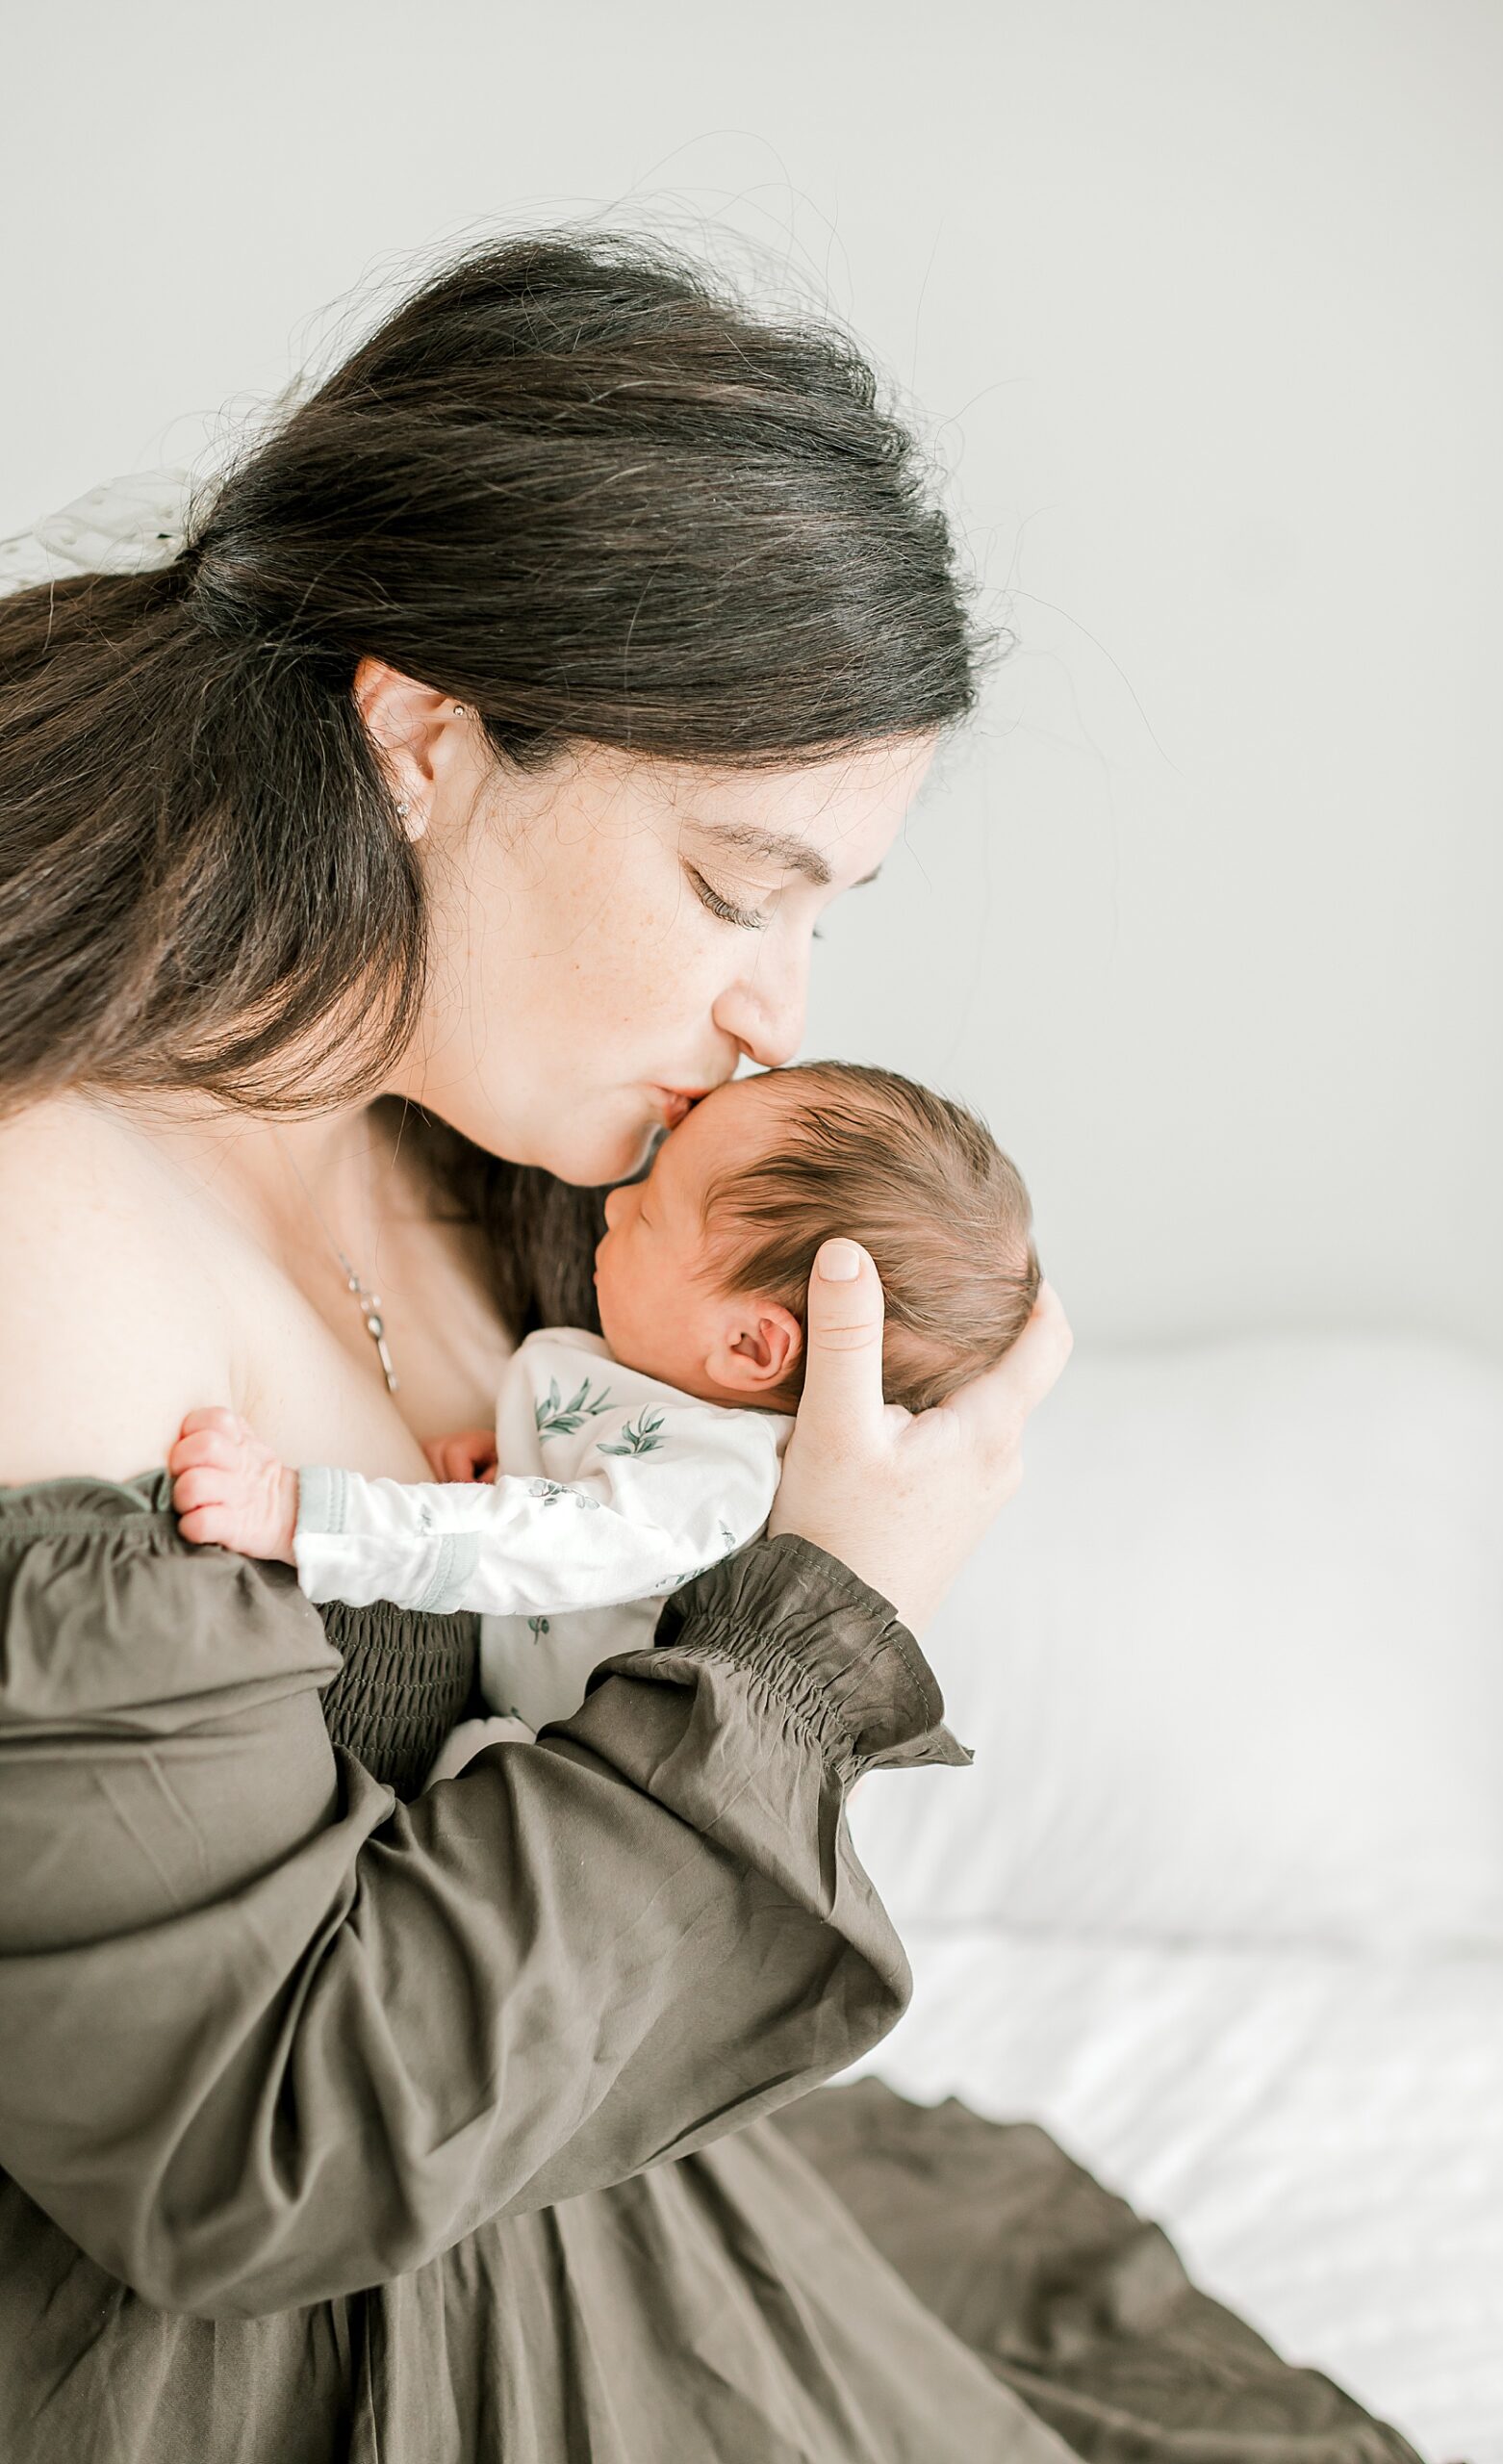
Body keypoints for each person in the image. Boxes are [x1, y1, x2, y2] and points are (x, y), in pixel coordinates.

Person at [0, 231, 1079, 2464]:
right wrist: (811, 1638)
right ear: (423, 736)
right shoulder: (52, 1227)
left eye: (814, 912)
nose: (775, 1007)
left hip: (594, 2211)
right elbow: (236, 2139)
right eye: (731, 881)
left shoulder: (504, 1151)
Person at [160, 1060, 1041, 1755]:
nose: (614, 1206)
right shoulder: (663, 1398)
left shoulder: (717, 1482)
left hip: (558, 1774)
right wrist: (518, 1455)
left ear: (750, 1347)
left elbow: (538, 1544)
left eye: (652, 1213)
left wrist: (302, 1514)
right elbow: (585, 1481)